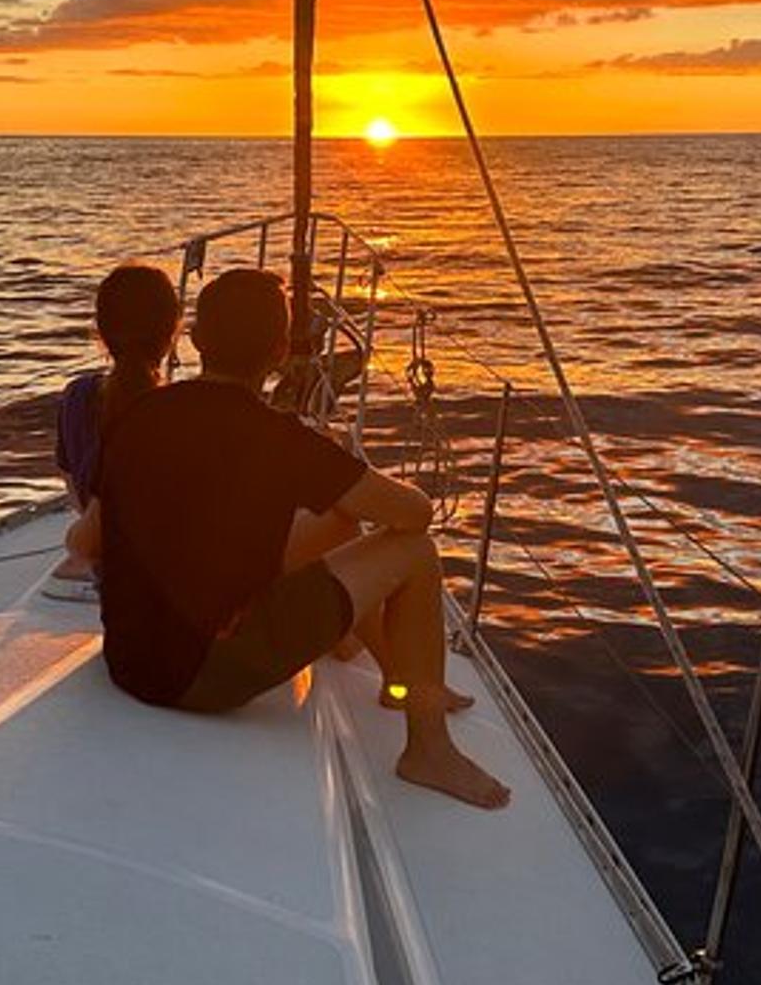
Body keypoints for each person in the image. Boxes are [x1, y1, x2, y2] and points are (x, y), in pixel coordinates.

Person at [79, 267, 509, 810]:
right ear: (281, 351)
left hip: (129, 661)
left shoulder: (138, 413)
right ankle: (427, 747)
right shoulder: (280, 439)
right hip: (200, 676)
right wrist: (337, 474)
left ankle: (399, 675)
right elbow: (416, 514)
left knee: (337, 528)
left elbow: (99, 537)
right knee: (415, 552)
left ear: (195, 339)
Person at [40, 263, 182, 603]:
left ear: (100, 332)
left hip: (103, 559)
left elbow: (71, 480)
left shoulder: (76, 396)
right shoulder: (183, 412)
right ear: (173, 332)